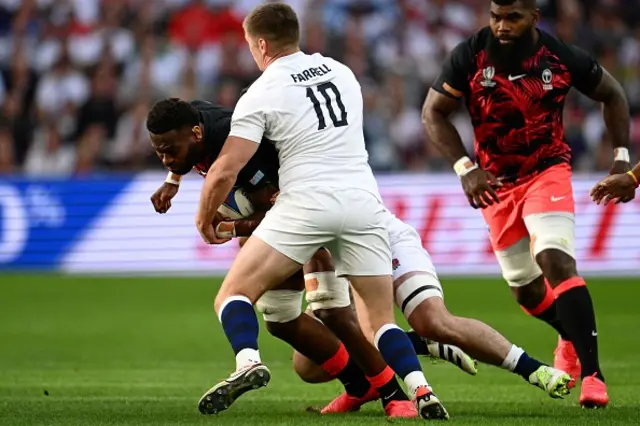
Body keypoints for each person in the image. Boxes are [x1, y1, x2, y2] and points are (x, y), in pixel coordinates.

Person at [154, 3, 444, 419]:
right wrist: (174, 179)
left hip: (304, 204)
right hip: (360, 196)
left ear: (260, 44)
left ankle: (255, 363)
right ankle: (409, 392)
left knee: (283, 302)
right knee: (317, 318)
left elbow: (225, 170)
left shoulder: (259, 96)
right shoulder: (342, 72)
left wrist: (211, 223)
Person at [421, 0, 632, 409]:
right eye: (496, 17)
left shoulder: (560, 56)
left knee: (553, 257)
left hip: (547, 170)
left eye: (512, 17)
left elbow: (613, 94)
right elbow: (433, 113)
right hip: (496, 184)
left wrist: (621, 159)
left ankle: (592, 375)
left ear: (533, 17)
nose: (502, 26)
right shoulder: (469, 55)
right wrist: (466, 168)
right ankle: (568, 335)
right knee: (527, 292)